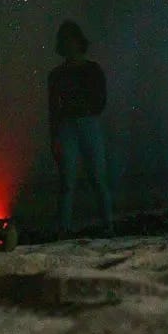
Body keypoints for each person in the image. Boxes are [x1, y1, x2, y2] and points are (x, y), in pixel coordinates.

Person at [48, 20, 115, 237]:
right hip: (70, 126)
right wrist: (54, 136)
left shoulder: (92, 70)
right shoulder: (57, 75)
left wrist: (83, 108)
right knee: (68, 181)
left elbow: (100, 100)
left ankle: (107, 225)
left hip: (86, 123)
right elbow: (53, 108)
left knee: (97, 178)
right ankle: (65, 228)